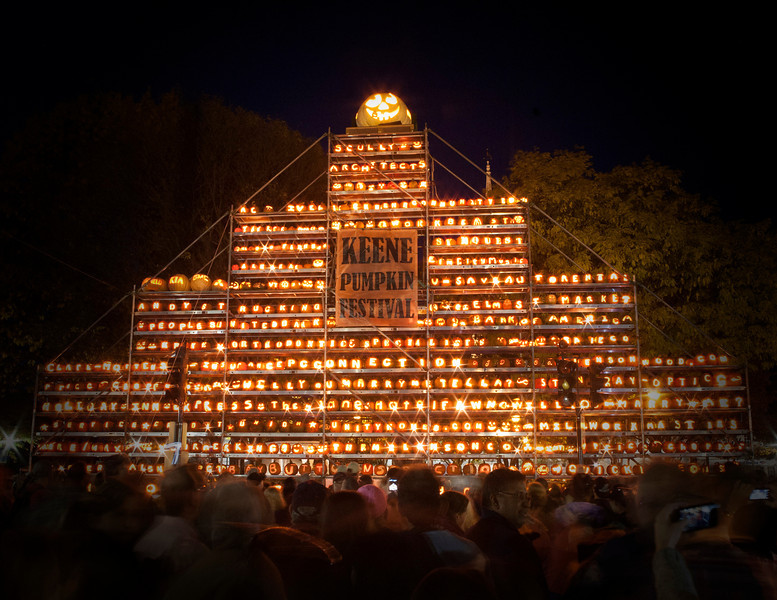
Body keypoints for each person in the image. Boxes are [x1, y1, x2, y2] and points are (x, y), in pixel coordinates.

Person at [466, 468, 549, 600]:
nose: (527, 504)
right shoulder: (514, 544)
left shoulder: (471, 535)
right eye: (519, 496)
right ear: (495, 500)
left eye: (527, 497)